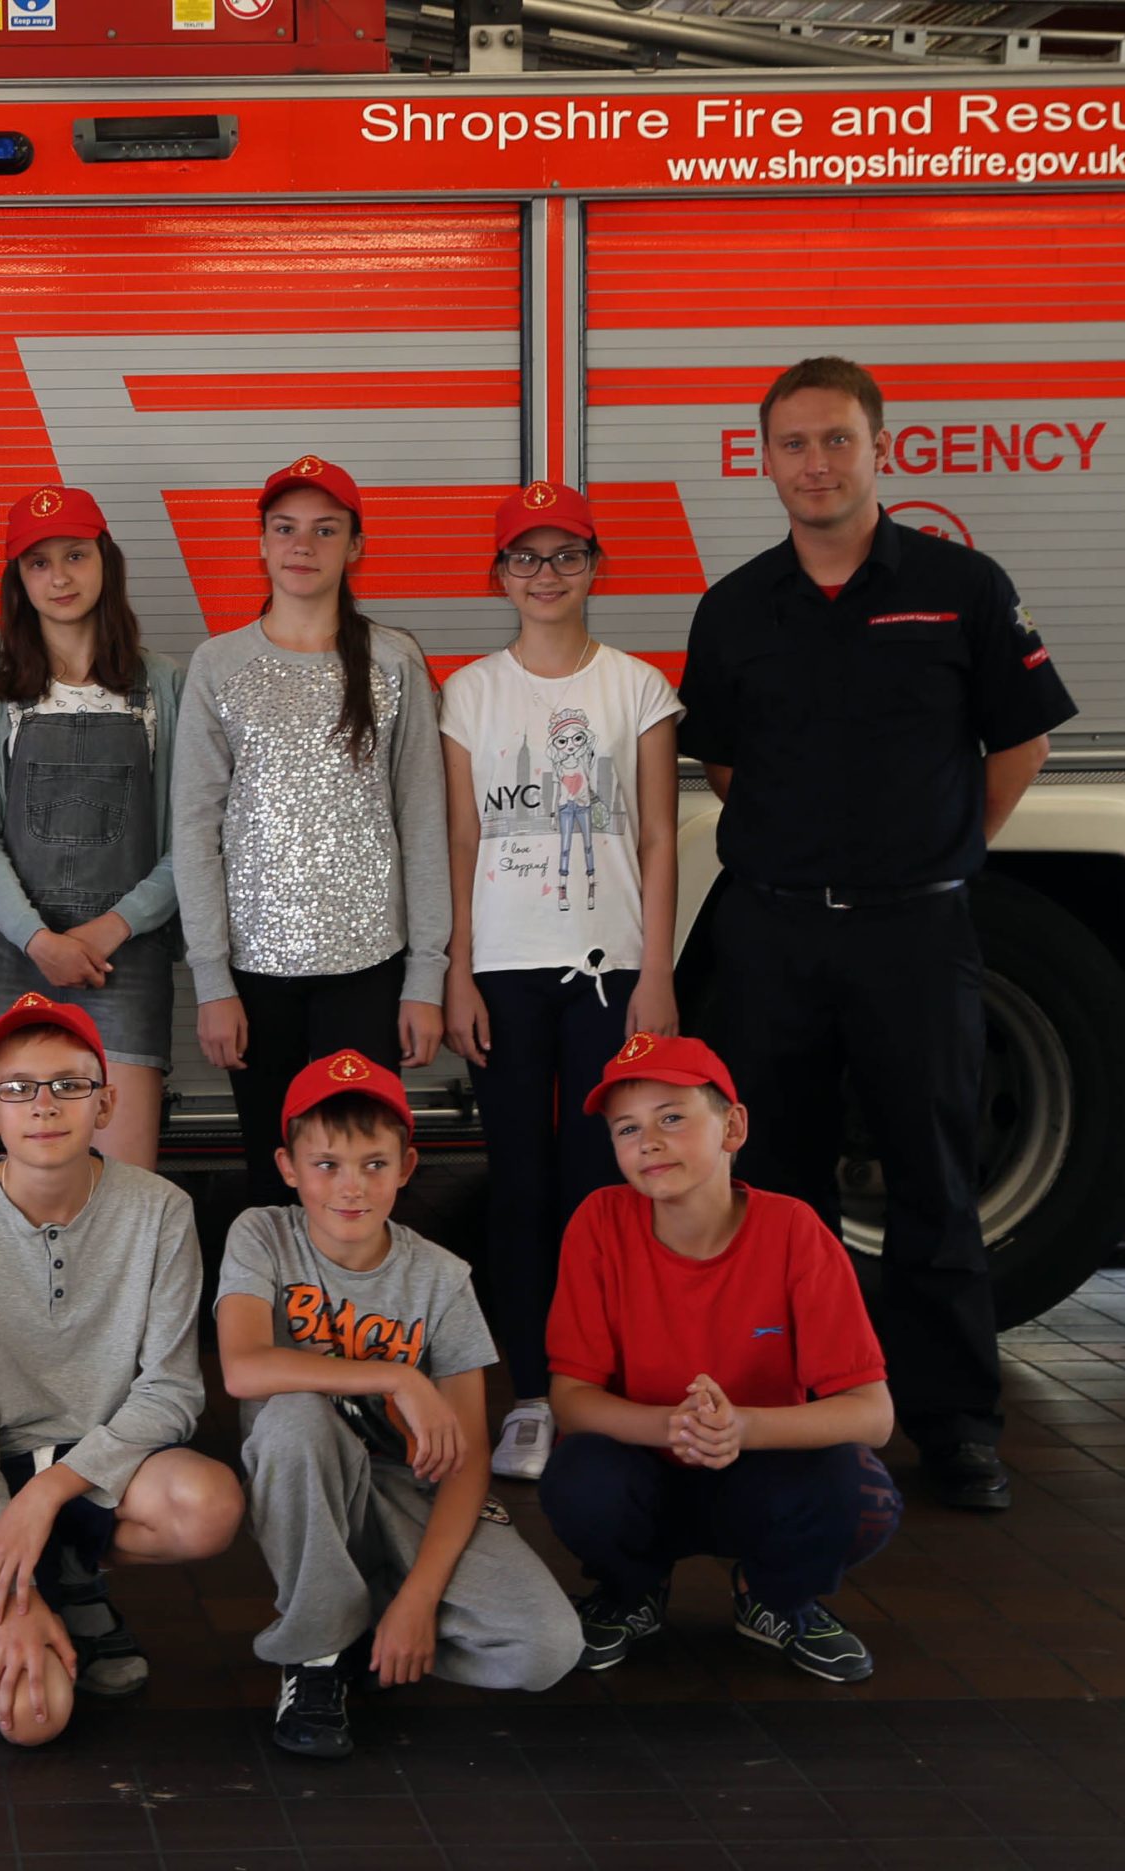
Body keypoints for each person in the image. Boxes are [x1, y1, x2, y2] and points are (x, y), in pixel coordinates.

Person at [678, 357, 1075, 1513]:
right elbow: (726, 764)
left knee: (933, 1178)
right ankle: (788, 1409)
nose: (815, 463)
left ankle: (956, 1424)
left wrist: (937, 854)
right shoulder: (735, 606)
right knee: (774, 1183)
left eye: (836, 439)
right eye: (793, 444)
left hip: (915, 935)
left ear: (880, 447)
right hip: (774, 933)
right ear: (764, 461)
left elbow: (1020, 744)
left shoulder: (961, 586)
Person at [216, 1049, 582, 1761]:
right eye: (327, 1164)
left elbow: (468, 1457)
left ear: (407, 1166)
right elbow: (242, 1367)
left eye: (374, 1164)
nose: (351, 1187)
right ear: (288, 1167)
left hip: (411, 1488)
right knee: (294, 1419)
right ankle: (316, 1655)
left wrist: (419, 1600)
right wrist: (397, 1377)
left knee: (546, 1647)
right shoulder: (263, 1234)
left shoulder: (441, 1277)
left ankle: (371, 1623)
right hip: (316, 1477)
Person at [0, 994, 243, 1745]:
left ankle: (74, 1569)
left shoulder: (161, 1210)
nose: (44, 1104)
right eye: (19, 1088)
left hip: (95, 1465)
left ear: (106, 1102)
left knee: (208, 1502)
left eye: (69, 1084)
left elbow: (173, 1389)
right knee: (34, 1719)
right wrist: (13, 1590)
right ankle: (23, 1584)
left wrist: (48, 1495)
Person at [439, 483, 683, 1481]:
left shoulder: (638, 687)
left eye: (565, 555)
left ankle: (598, 1381)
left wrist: (656, 970)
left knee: (601, 1178)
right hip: (502, 967)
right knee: (520, 1181)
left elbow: (659, 834)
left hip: (609, 971)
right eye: (524, 557)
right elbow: (461, 838)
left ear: (595, 566)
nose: (545, 575)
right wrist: (456, 969)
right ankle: (533, 1394)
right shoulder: (468, 691)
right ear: (499, 574)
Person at [539, 1033, 901, 1684]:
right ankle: (631, 1589)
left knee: (862, 1490)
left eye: (671, 1117)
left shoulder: (794, 1230)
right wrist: (670, 1426)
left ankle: (774, 1597)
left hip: (758, 1473)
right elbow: (570, 1399)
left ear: (732, 1127)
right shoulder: (599, 1222)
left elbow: (872, 1415)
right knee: (578, 1474)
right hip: (645, 1468)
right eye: (627, 1128)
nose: (648, 1142)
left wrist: (742, 1427)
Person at [173, 457, 448, 1206]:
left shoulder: (393, 660)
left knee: (356, 1174)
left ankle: (355, 1290)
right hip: (254, 977)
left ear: (355, 546)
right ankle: (273, 1290)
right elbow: (195, 830)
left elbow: (424, 822)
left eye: (326, 530)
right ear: (261, 543)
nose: (303, 545)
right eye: (285, 528)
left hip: (369, 969)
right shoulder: (220, 663)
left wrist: (426, 976)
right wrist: (211, 980)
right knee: (275, 1175)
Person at [0, 489, 186, 1170]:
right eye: (38, 563)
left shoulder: (162, 684)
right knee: (28, 1177)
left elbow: (189, 841)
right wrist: (38, 938)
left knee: (127, 1186)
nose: (59, 577)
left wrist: (110, 928)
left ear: (106, 562)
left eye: (75, 556)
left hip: (126, 957)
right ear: (18, 580)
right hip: (13, 955)